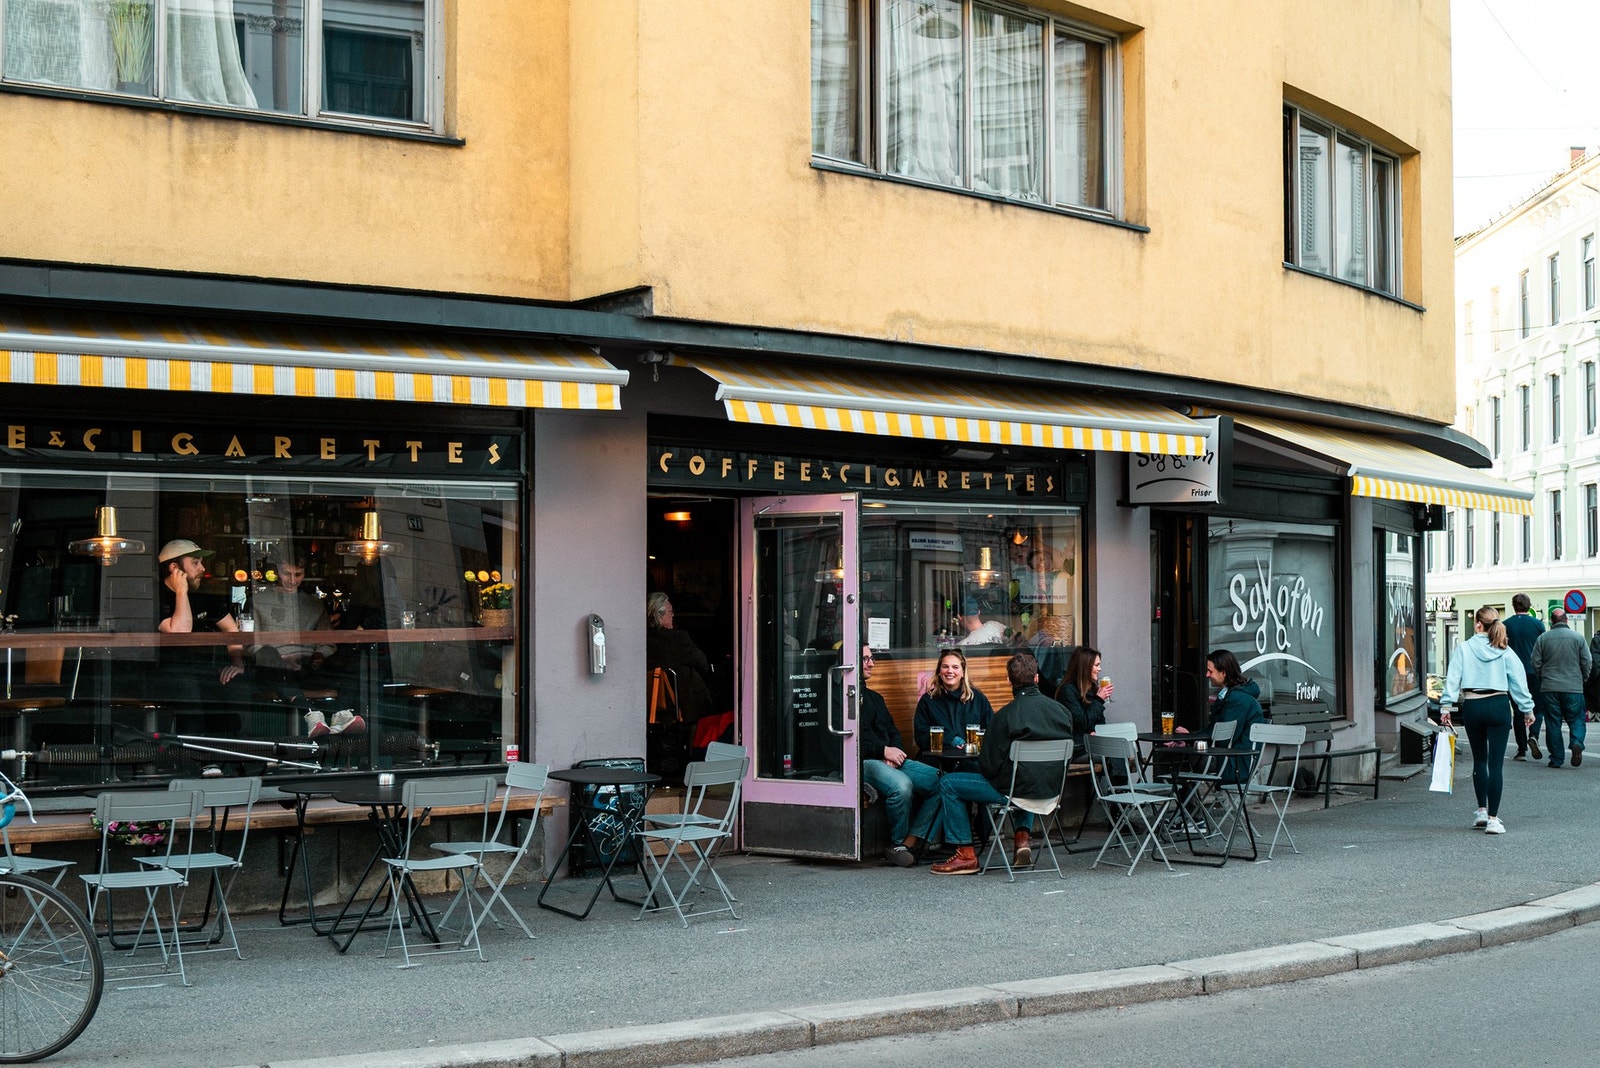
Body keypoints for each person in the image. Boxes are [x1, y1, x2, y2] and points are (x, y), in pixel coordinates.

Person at [929, 652, 1074, 875]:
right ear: (1036, 678)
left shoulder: (1005, 716)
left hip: (1014, 790)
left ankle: (966, 854)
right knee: (1025, 778)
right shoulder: (1062, 711)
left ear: (1009, 681)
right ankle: (1022, 839)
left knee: (949, 783)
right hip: (1052, 790)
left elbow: (988, 766)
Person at [1440, 606, 1535, 835]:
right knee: (1496, 764)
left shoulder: (1463, 649)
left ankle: (1481, 811)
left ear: (1478, 624)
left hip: (1473, 705)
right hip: (1498, 705)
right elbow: (1518, 682)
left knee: (1479, 761)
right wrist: (1527, 709)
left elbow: (1453, 678)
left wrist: (1446, 706)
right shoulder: (1505, 651)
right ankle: (1493, 819)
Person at [253, 552, 360, 736]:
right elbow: (251, 641)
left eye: (298, 574)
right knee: (267, 655)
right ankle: (310, 713)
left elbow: (327, 642)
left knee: (356, 661)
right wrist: (283, 658)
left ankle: (341, 714)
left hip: (307, 665)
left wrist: (319, 655)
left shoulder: (314, 604)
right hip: (273, 666)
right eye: (287, 573)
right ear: (277, 571)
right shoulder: (258, 601)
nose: (293, 580)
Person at [858, 644, 942, 867]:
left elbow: (893, 731)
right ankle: (897, 843)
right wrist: (883, 751)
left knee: (944, 782)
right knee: (902, 786)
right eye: (865, 658)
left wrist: (894, 751)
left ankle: (910, 842)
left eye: (871, 658)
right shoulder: (840, 699)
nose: (871, 663)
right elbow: (851, 741)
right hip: (862, 762)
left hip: (889, 758)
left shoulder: (875, 698)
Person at [157, 538, 245, 731]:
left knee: (236, 690)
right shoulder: (157, 597)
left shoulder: (203, 595)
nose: (202, 568)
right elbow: (180, 632)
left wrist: (237, 664)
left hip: (204, 671)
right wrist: (181, 591)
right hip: (167, 677)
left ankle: (230, 754)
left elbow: (231, 630)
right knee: (188, 692)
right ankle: (196, 757)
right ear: (174, 568)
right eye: (195, 563)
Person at [1531, 607, 1591, 769]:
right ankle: (1576, 742)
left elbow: (1535, 663)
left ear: (1551, 621)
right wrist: (1582, 679)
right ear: (1566, 620)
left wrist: (1542, 678)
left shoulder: (1543, 639)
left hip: (1549, 687)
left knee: (1553, 722)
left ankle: (1556, 758)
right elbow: (1587, 661)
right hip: (1573, 687)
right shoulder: (1578, 638)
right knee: (1576, 719)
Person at [912, 648, 994, 764]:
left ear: (963, 673)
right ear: (939, 672)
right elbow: (921, 737)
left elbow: (991, 733)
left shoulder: (978, 699)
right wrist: (950, 739)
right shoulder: (928, 700)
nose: (949, 671)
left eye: (955, 667)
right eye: (945, 667)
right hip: (936, 763)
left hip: (970, 763)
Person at [645, 592, 715, 725]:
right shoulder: (678, 639)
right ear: (658, 616)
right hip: (685, 706)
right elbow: (703, 665)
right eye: (670, 612)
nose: (673, 615)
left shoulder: (644, 640)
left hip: (655, 705)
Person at [1204, 649, 1265, 784]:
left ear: (1223, 673)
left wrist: (1195, 742)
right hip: (1233, 757)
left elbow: (1224, 737)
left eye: (1210, 671)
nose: (1207, 675)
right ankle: (1189, 804)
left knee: (1184, 759)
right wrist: (1191, 738)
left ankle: (1187, 805)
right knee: (1186, 757)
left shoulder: (1237, 699)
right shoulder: (1233, 696)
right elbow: (1216, 731)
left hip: (1235, 762)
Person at [1504, 593, 1545, 761]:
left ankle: (1521, 750)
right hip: (1534, 672)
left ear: (1514, 606)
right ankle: (1534, 735)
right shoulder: (1538, 625)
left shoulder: (1505, 625)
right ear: (1529, 606)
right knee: (1538, 707)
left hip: (1512, 673)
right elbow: (1543, 647)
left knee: (1519, 711)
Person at [1054, 645, 1112, 757]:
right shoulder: (1068, 691)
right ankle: (1119, 775)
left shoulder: (1092, 688)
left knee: (1120, 750)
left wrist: (1095, 732)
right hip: (1075, 747)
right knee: (1115, 753)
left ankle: (1118, 775)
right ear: (1085, 667)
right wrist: (1099, 700)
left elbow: (1100, 721)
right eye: (1096, 665)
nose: (1100, 669)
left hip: (1089, 743)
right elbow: (1080, 722)